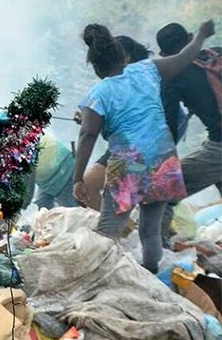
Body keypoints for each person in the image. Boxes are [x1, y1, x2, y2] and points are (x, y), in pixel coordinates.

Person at [73, 21, 215, 273]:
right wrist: (201, 35)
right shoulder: (147, 70)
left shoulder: (98, 94)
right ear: (121, 56)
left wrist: (77, 179)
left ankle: (98, 276)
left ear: (95, 66)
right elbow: (184, 57)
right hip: (163, 160)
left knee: (108, 230)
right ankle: (150, 275)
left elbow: (87, 135)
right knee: (149, 231)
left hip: (129, 165)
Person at [157, 22, 222, 198]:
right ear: (191, 38)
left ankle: (158, 226)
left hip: (219, 147)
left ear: (164, 55)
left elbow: (169, 129)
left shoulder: (172, 78)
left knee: (162, 189)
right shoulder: (217, 52)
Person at [26, 132, 77, 210]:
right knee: (43, 207)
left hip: (63, 170)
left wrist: (24, 203)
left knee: (69, 211)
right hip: (47, 180)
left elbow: (28, 177)